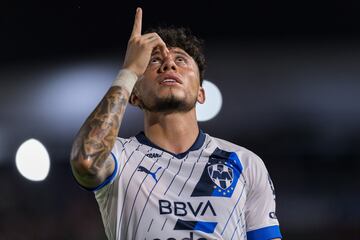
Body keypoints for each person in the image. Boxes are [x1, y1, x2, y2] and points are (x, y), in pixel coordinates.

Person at [70, 7, 282, 240]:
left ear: (201, 93)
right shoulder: (120, 157)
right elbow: (85, 160)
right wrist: (129, 70)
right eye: (154, 61)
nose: (169, 65)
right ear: (134, 95)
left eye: (180, 60)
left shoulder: (245, 163)